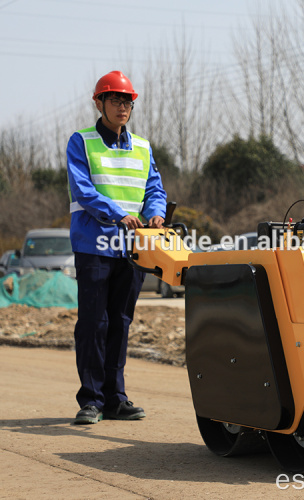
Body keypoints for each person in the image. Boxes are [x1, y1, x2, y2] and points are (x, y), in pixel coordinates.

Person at [66, 70, 167, 425]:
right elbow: (83, 191)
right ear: (99, 103)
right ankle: (91, 400)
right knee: (94, 323)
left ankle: (116, 398)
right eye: (115, 100)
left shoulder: (142, 147)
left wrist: (154, 215)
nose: (122, 107)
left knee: (120, 324)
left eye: (127, 101)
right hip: (94, 245)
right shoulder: (81, 141)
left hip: (132, 249)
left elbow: (155, 189)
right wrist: (119, 214)